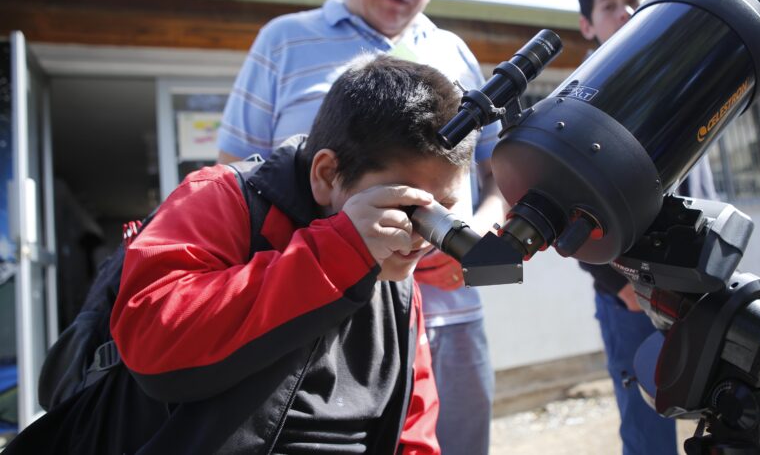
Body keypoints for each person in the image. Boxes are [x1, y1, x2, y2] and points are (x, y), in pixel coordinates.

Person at [6, 55, 470, 454]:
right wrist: (341, 249)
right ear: (327, 174)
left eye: (441, 212)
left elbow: (413, 420)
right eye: (406, 206)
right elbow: (155, 340)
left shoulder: (400, 280)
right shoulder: (221, 198)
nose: (419, 236)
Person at [216, 0, 502, 453]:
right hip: (321, 324)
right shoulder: (283, 40)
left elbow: (496, 175)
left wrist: (474, 232)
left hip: (449, 317)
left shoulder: (455, 51)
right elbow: (236, 177)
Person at [575, 0, 760, 454]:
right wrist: (625, 289)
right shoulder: (583, 102)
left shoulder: (681, 85)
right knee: (647, 426)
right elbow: (574, 218)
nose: (625, 9)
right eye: (609, 3)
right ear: (587, 26)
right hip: (630, 297)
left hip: (708, 283)